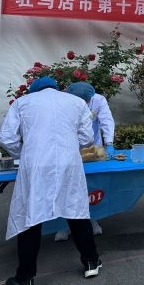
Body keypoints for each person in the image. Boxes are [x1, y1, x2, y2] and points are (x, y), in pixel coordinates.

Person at [0, 77, 102, 285]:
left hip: (35, 164)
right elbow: (87, 138)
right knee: (76, 212)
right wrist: (69, 145)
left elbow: (6, 138)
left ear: (33, 90)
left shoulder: (22, 102)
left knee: (31, 216)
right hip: (68, 163)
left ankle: (25, 277)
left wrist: (23, 152)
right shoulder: (76, 102)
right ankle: (91, 262)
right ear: (56, 87)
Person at [55, 82, 114, 241]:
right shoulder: (62, 102)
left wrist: (109, 143)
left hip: (92, 149)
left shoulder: (98, 100)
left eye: (86, 101)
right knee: (66, 187)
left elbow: (107, 120)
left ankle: (92, 219)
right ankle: (62, 224)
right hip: (68, 148)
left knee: (91, 186)